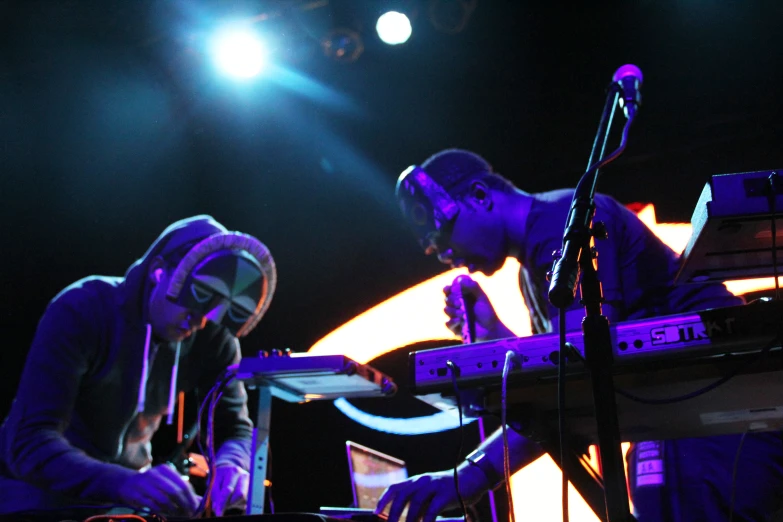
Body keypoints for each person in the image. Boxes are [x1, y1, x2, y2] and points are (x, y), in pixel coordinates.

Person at [378, 149, 783, 522]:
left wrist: (469, 475)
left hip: (721, 408)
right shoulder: (533, 271)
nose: (445, 254)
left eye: (443, 234)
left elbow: (573, 380)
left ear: (481, 196)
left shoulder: (561, 228)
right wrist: (492, 335)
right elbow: (557, 384)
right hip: (677, 414)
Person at [0, 215, 277, 518]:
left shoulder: (211, 337)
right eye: (194, 301)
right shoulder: (83, 310)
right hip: (38, 498)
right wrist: (122, 482)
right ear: (159, 271)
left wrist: (232, 464)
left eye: (211, 310)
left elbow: (234, 427)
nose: (199, 321)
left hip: (125, 505)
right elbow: (28, 441)